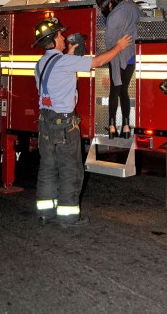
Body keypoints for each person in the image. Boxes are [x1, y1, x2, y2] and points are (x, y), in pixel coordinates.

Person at [32, 16, 132, 227]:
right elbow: (99, 61)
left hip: (45, 123)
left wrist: (69, 54)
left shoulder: (41, 63)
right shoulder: (65, 62)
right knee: (70, 170)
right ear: (53, 40)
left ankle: (45, 213)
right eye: (60, 35)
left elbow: (57, 69)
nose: (63, 37)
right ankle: (68, 218)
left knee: (47, 168)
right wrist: (119, 46)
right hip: (65, 125)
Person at [96, 0, 140, 140]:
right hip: (131, 57)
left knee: (114, 91)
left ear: (109, 3)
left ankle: (112, 126)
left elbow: (109, 42)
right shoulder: (132, 7)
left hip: (116, 57)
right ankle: (126, 126)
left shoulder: (113, 16)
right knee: (124, 91)